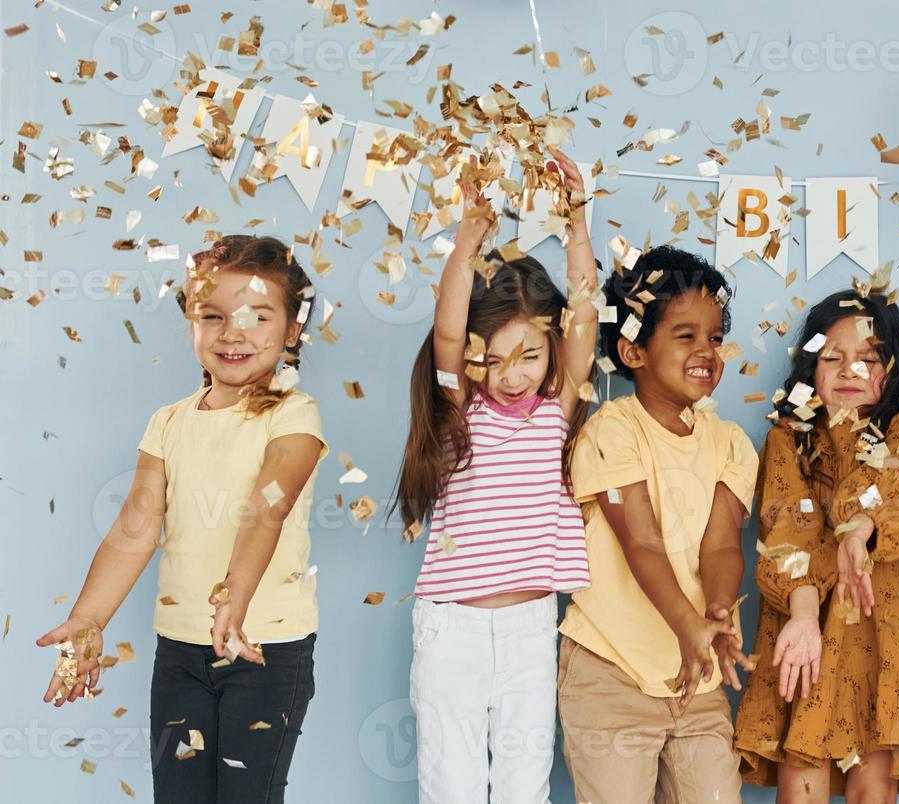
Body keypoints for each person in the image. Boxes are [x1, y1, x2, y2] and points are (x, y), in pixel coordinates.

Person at [38, 234, 327, 804]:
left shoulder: (295, 417)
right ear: (191, 321)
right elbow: (135, 527)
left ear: (293, 329)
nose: (233, 332)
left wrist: (235, 599)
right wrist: (87, 620)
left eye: (257, 316)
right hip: (181, 653)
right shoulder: (168, 423)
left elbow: (267, 505)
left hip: (265, 652)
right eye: (212, 315)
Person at [392, 148, 595, 803]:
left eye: (530, 356)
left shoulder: (556, 410)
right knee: (450, 789)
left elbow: (585, 320)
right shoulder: (460, 410)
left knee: (522, 790)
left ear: (551, 350)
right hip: (453, 629)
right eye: (495, 359)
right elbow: (447, 334)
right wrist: (467, 241)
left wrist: (579, 229)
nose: (513, 376)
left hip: (531, 626)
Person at [557, 243, 757, 804]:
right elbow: (640, 541)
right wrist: (687, 624)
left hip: (700, 674)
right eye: (686, 335)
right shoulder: (611, 432)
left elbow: (721, 546)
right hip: (610, 669)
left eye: (715, 338)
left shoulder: (731, 445)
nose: (707, 351)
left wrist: (716, 612)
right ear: (633, 351)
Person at [735, 287, 899, 802]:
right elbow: (786, 528)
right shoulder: (789, 438)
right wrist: (804, 615)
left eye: (867, 359)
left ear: (890, 372)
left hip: (882, 631)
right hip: (806, 624)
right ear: (810, 368)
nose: (850, 370)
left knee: (873, 784)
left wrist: (860, 530)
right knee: (800, 778)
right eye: (833, 357)